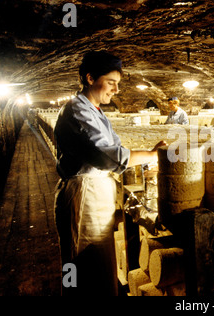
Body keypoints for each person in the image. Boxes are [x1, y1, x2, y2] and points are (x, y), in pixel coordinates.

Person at [53, 50, 166, 296]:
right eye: (111, 83)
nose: (116, 90)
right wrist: (152, 154)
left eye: (118, 84)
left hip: (96, 192)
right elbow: (109, 156)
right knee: (85, 268)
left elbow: (118, 148)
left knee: (101, 268)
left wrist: (145, 161)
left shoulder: (95, 111)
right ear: (90, 78)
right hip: (84, 197)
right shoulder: (78, 111)